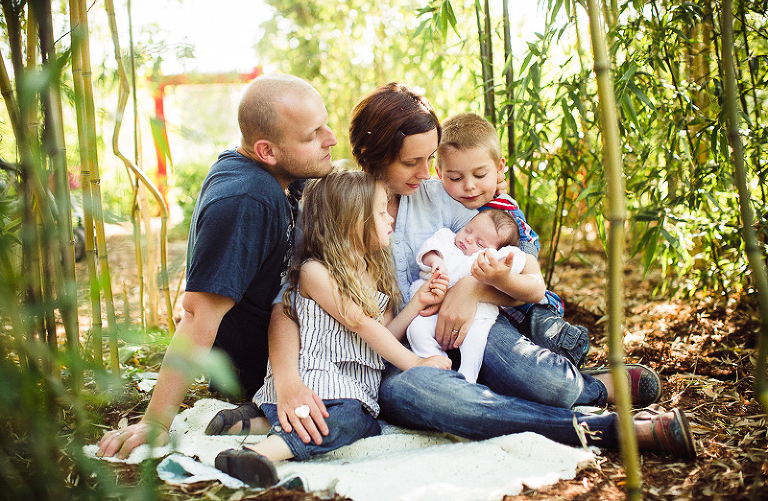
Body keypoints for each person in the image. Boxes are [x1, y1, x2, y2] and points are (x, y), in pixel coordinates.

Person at [264, 82, 694, 461]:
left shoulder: (449, 197)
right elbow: (290, 304)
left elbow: (526, 283)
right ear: (373, 156)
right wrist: (287, 383)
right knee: (424, 394)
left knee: (546, 382)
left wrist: (471, 287)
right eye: (412, 162)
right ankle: (601, 429)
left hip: (472, 328)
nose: (428, 173)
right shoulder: (337, 203)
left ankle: (592, 391)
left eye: (431, 159)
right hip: (394, 357)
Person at [96, 73, 338, 460]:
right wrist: (156, 422)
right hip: (267, 372)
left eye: (325, 124)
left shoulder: (277, 174)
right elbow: (196, 315)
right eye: (313, 135)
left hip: (290, 341)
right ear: (266, 150)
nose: (330, 138)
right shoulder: (245, 200)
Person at [210, 170, 452, 487]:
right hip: (316, 376)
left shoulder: (378, 272)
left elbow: (383, 337)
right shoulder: (315, 272)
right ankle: (261, 453)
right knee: (351, 419)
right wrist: (416, 364)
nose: (390, 218)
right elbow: (359, 322)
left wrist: (416, 304)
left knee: (365, 421)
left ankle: (255, 422)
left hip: (353, 386)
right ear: (353, 221)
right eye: (381, 211)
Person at [437, 112, 592, 368]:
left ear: (499, 169)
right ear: (438, 173)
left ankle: (568, 348)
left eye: (479, 175)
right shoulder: (439, 206)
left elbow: (534, 288)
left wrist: (501, 278)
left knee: (541, 326)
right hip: (485, 319)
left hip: (523, 305)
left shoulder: (504, 214)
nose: (469, 187)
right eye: (455, 178)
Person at [407, 209, 527, 383]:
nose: (469, 239)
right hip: (433, 312)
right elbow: (431, 247)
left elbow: (516, 259)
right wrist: (435, 260)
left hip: (475, 316)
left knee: (475, 342)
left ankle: (468, 376)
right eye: (468, 230)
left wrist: (501, 263)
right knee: (416, 330)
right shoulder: (447, 239)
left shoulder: (485, 259)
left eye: (480, 242)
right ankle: (438, 362)